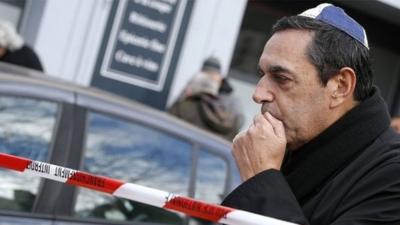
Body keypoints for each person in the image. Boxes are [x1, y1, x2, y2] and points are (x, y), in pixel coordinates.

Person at [221, 3, 400, 225]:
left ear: (340, 86)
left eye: (281, 78)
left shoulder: (391, 178)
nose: (259, 94)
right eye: (262, 75)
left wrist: (263, 178)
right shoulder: (293, 148)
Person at [169, 57, 242, 140]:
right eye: (206, 73)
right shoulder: (193, 89)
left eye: (212, 74)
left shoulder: (231, 100)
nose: (208, 78)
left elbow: (237, 124)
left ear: (220, 77)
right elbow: (174, 113)